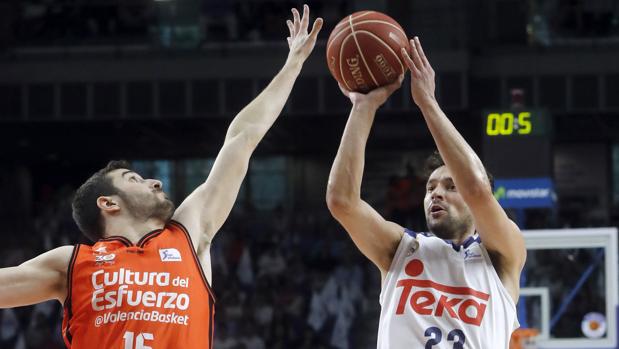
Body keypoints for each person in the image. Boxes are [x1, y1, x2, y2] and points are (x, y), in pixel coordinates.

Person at [0, 5, 322, 348]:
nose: (155, 182)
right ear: (108, 203)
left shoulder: (189, 232)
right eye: (134, 179)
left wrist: (293, 66)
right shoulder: (73, 264)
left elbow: (241, 139)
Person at [326, 36, 526, 348]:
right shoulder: (400, 249)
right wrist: (363, 107)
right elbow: (341, 201)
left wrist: (427, 103)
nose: (436, 194)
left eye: (449, 186)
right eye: (430, 188)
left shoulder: (502, 253)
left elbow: (476, 187)